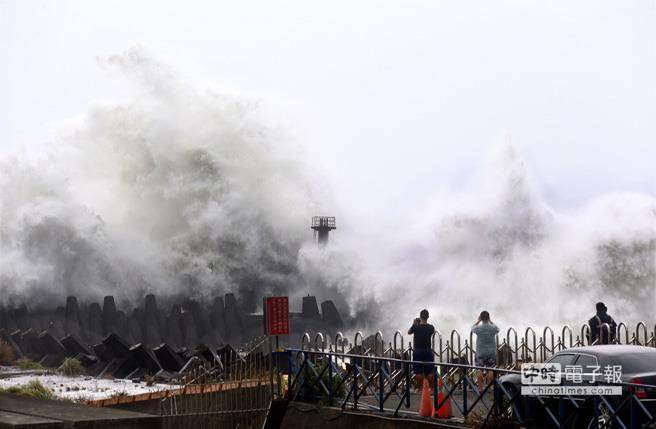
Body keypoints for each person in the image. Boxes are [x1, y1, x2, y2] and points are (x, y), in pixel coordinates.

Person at [472, 311, 499, 391]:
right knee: (490, 369)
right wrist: (490, 321)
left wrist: (478, 321)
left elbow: (472, 328)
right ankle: (490, 387)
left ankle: (480, 388)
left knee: (479, 369)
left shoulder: (478, 328)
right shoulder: (492, 328)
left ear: (481, 318)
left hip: (480, 352)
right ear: (488, 317)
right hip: (491, 352)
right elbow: (497, 328)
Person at [408, 309, 435, 387]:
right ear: (428, 317)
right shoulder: (431, 327)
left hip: (418, 351)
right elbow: (432, 331)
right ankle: (432, 389)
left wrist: (414, 324)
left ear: (420, 317)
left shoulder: (416, 327)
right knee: (430, 372)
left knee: (418, 372)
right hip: (428, 351)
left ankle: (420, 389)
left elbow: (409, 332)